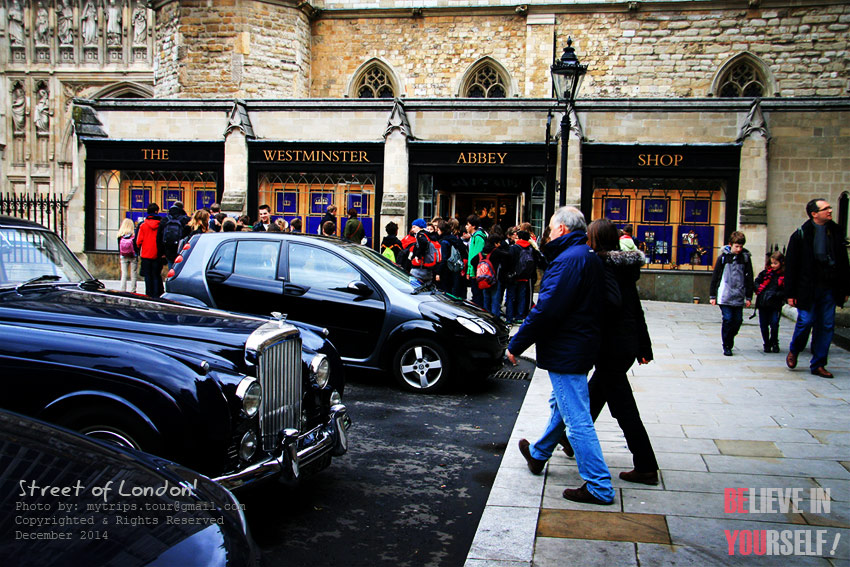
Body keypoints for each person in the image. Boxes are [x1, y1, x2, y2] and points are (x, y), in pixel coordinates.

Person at [508, 206, 615, 506]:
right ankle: (539, 453)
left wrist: (516, 344)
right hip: (580, 344)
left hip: (568, 348)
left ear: (563, 230)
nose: (549, 234)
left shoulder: (568, 261)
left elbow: (546, 310)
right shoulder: (585, 255)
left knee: (576, 416)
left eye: (552, 228)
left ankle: (598, 485)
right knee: (562, 403)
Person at [560, 219, 659, 485]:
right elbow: (635, 309)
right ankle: (566, 442)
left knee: (622, 407)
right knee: (595, 394)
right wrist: (643, 346)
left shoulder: (602, 265)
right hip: (624, 345)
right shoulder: (623, 265)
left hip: (612, 346)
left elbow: (611, 305)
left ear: (594, 239)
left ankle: (646, 465)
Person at [784, 199, 850, 378]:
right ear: (814, 214)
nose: (830, 210)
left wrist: (845, 289)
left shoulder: (835, 232)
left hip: (829, 287)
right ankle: (795, 350)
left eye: (829, 207)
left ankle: (819, 363)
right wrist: (790, 293)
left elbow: (844, 262)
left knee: (826, 325)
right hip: (808, 288)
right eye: (826, 208)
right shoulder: (801, 234)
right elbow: (791, 266)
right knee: (805, 321)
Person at [709, 231, 754, 356]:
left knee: (738, 321)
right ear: (730, 244)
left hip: (739, 294)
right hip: (725, 294)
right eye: (736, 246)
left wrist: (749, 296)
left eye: (741, 246)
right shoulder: (723, 258)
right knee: (728, 319)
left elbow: (749, 277)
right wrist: (712, 295)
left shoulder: (745, 258)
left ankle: (730, 338)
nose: (739, 249)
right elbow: (716, 276)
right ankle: (726, 345)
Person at [754, 251, 786, 354]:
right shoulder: (765, 273)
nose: (773, 265)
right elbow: (756, 282)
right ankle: (766, 343)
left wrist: (776, 294)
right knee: (763, 325)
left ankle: (774, 342)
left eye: (775, 263)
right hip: (763, 303)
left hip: (775, 304)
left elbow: (785, 290)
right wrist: (760, 290)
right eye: (772, 263)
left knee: (774, 324)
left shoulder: (783, 276)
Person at [505, 230, 538, 324]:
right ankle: (519, 316)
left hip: (513, 276)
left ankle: (509, 318)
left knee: (511, 297)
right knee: (521, 297)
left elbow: (509, 261)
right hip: (525, 276)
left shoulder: (514, 248)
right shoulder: (531, 248)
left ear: (519, 238)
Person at [136, 203, 164, 297]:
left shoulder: (143, 225)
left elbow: (139, 241)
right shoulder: (161, 224)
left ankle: (149, 293)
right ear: (157, 211)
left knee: (148, 276)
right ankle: (157, 294)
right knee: (156, 275)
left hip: (146, 254)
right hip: (157, 253)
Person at [159, 201, 190, 269]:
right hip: (182, 247)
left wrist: (161, 251)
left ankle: (171, 278)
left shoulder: (165, 219)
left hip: (168, 247)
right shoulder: (186, 219)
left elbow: (159, 236)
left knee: (171, 264)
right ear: (182, 208)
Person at [465, 215, 488, 307]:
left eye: (468, 224)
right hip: (473, 270)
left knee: (477, 294)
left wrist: (473, 271)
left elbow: (477, 257)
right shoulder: (474, 236)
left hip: (477, 271)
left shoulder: (478, 237)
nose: (466, 227)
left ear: (473, 226)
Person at [116, 218, 139, 293]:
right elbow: (136, 246)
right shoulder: (134, 235)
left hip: (123, 256)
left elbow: (119, 247)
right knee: (133, 273)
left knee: (124, 273)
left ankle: (123, 289)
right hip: (133, 255)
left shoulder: (120, 236)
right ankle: (133, 290)